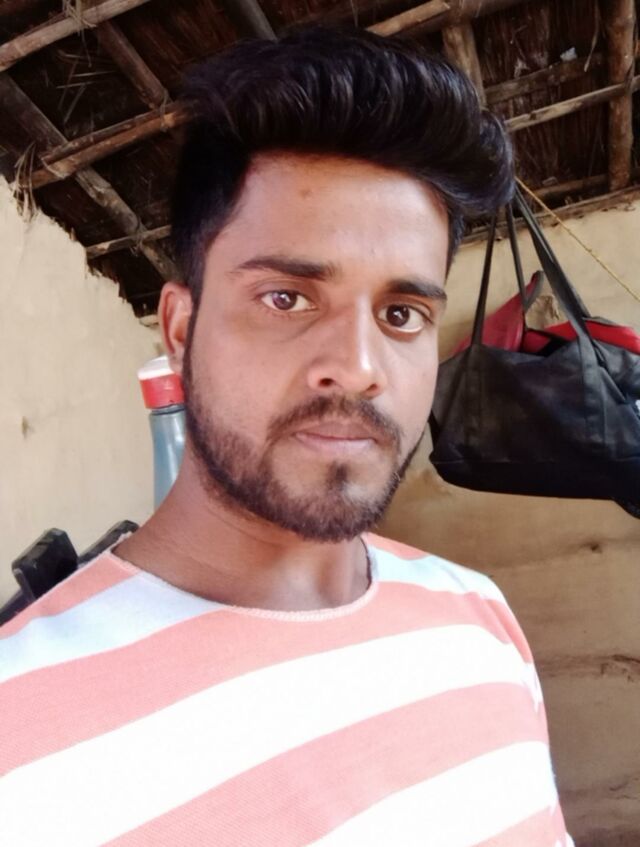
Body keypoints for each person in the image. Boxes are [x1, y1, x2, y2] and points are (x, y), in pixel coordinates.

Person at [0, 26, 572, 846]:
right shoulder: (18, 730)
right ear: (180, 330)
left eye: (402, 313)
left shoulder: (480, 617)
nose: (359, 367)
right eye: (287, 298)